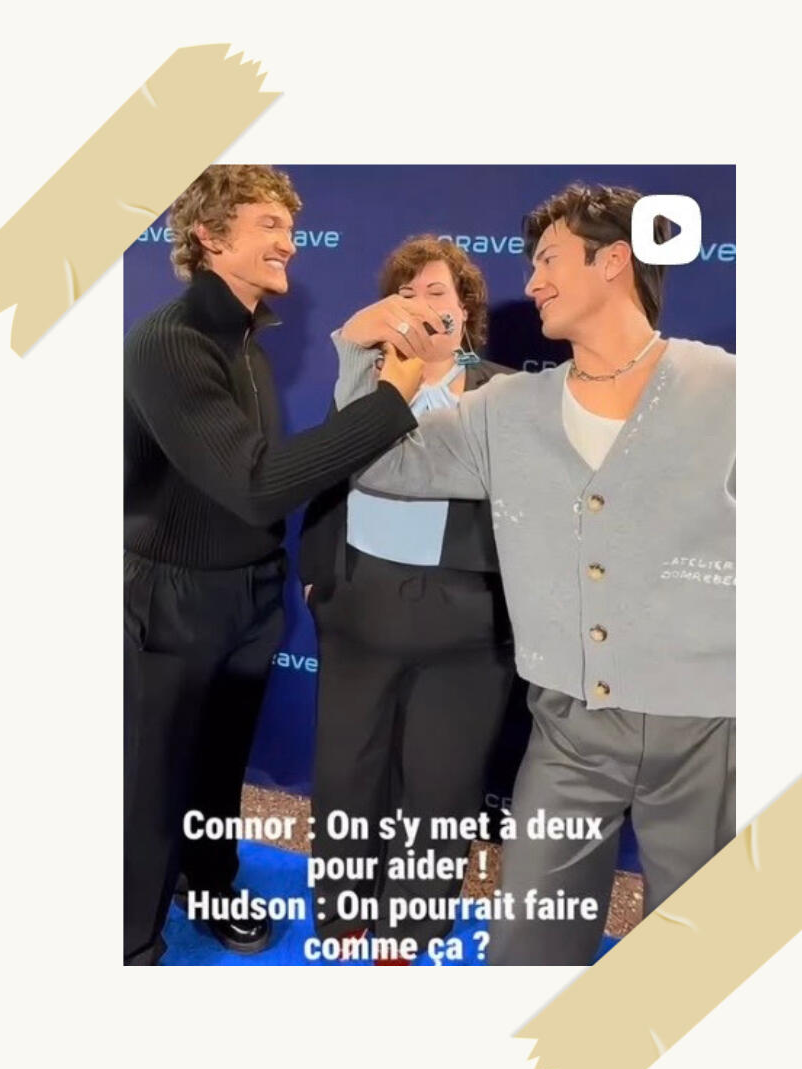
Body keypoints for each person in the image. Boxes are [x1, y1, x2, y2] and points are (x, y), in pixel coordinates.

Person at [332, 183, 735, 966]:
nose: (533, 282)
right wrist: (356, 352)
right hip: (567, 734)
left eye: (549, 260)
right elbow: (380, 465)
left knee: (708, 961)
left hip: (713, 733)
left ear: (613, 261)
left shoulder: (730, 389)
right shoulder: (505, 409)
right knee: (526, 947)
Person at [123, 165, 445, 966]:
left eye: (290, 227)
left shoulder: (247, 342)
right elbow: (258, 484)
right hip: (173, 599)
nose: (290, 243)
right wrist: (393, 400)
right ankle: (131, 941)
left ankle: (208, 883)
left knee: (219, 768)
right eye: (269, 225)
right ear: (209, 235)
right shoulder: (169, 343)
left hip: (248, 596)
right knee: (153, 784)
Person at [300, 236, 516, 963]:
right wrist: (319, 574)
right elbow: (328, 473)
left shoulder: (502, 394)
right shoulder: (361, 381)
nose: (422, 306)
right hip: (360, 605)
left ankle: (409, 931)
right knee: (346, 770)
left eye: (437, 293)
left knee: (441, 784)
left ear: (466, 310)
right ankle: (343, 918)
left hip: (466, 623)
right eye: (407, 293)